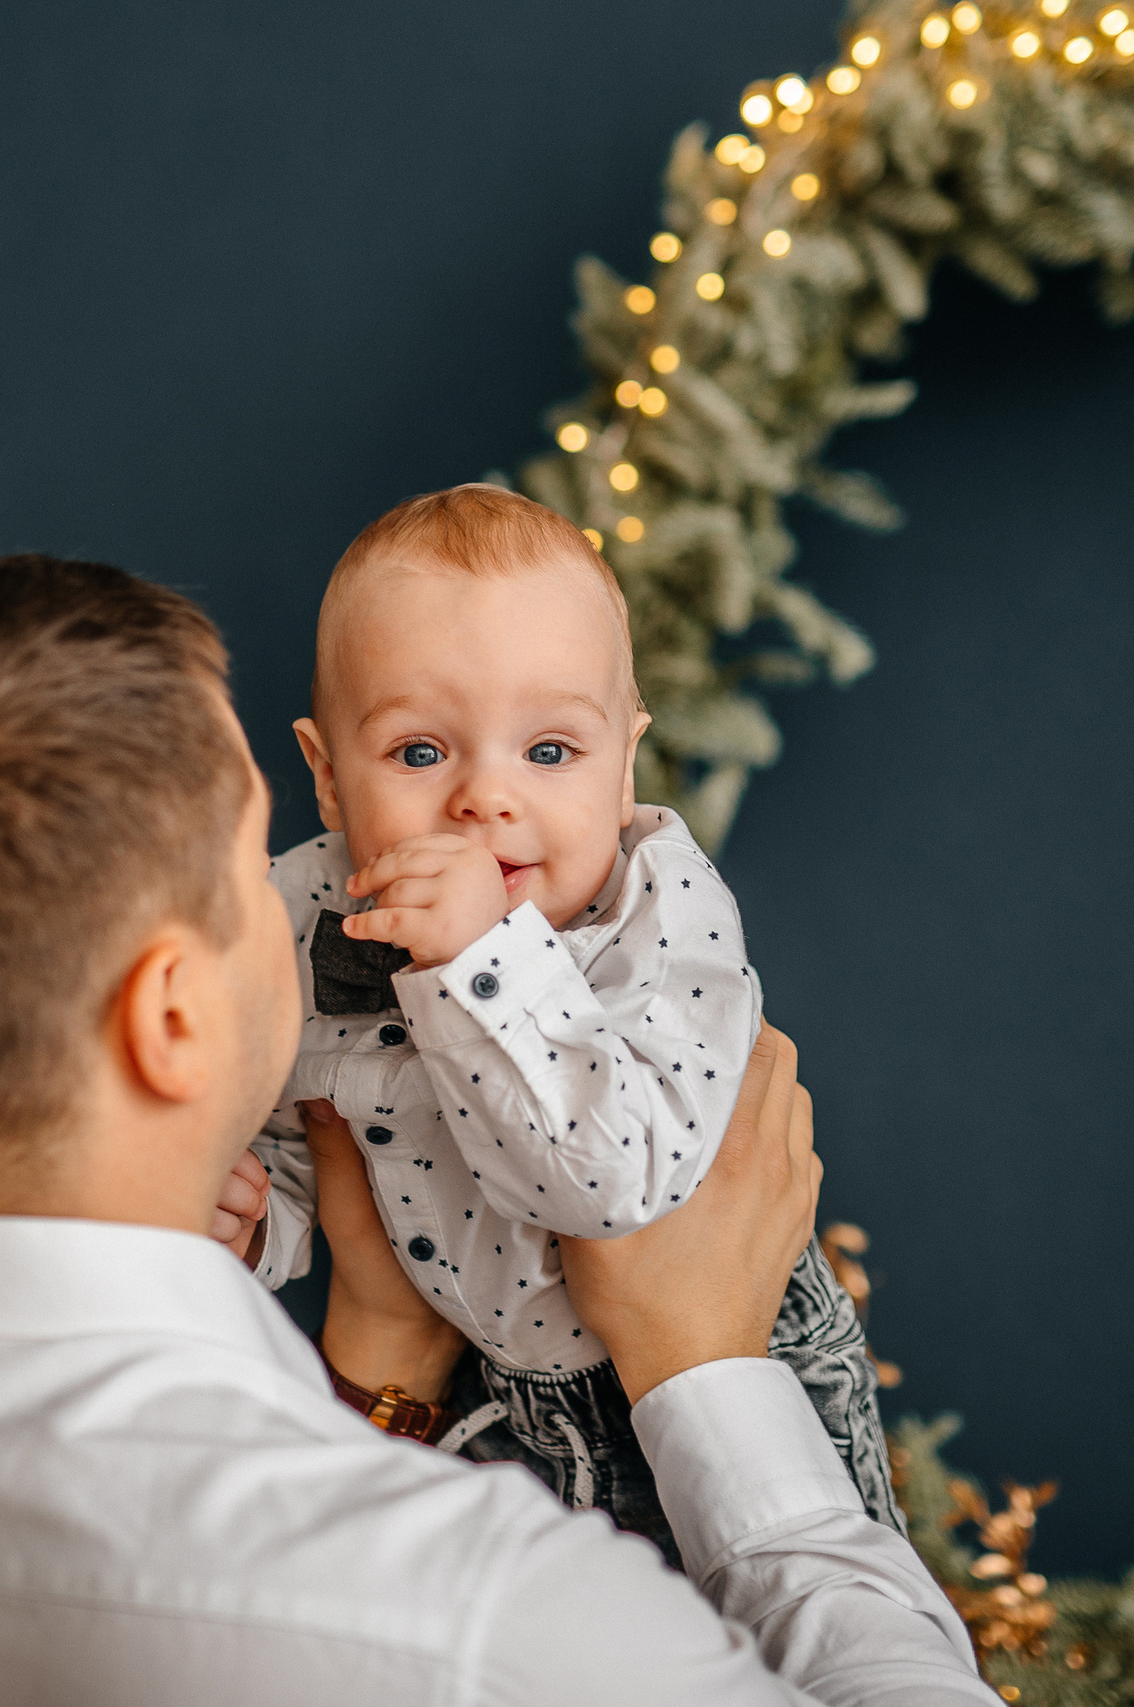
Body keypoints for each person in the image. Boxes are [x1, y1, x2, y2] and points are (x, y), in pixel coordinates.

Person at [0, 554, 985, 1704]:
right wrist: (707, 1374)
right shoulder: (479, 1617)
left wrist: (378, 1368)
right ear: (174, 1014)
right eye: (250, 866)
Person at [230, 483, 891, 1560]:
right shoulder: (301, 914)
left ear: (624, 764)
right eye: (418, 753)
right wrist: (258, 1222)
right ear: (328, 778)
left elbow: (610, 1188)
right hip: (492, 1396)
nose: (485, 800)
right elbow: (313, 1136)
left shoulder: (661, 914)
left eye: (548, 752)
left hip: (723, 1372)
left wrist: (478, 961)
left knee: (771, 1631)